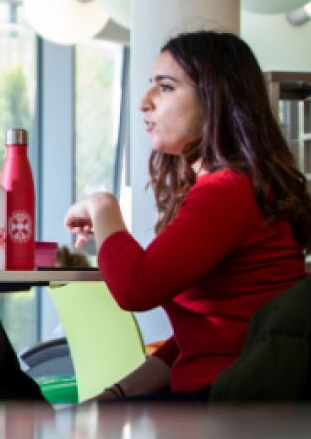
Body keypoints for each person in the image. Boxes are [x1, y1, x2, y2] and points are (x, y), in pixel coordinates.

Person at [64, 30, 311, 403]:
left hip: (230, 406)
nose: (144, 103)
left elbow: (135, 287)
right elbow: (200, 335)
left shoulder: (225, 191)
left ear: (216, 100)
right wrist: (115, 394)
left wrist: (103, 207)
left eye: (165, 87)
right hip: (225, 396)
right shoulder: (229, 188)